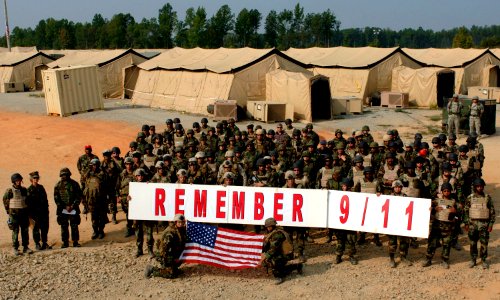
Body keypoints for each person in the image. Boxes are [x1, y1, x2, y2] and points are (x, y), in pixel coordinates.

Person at [423, 183, 458, 269]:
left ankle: (445, 260)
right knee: (432, 243)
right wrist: (434, 209)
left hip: (448, 227)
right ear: (442, 192)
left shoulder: (454, 202)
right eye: (444, 191)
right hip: (437, 226)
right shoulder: (436, 201)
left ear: (451, 191)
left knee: (447, 244)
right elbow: (427, 208)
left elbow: (459, 215)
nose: (446, 192)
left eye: (448, 191)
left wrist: (455, 212)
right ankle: (428, 259)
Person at [464, 178, 495, 269]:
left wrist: (490, 225)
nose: (479, 188)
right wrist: (466, 223)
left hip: (484, 226)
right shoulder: (470, 198)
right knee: (473, 243)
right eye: (477, 186)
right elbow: (465, 211)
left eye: (481, 186)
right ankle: (473, 259)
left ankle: (483, 260)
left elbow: (492, 212)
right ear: (474, 187)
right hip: (472, 226)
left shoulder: (487, 198)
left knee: (484, 244)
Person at [261, 217, 303, 285]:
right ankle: (296, 266)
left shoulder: (277, 234)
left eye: (269, 226)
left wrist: (266, 256)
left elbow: (274, 249)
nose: (267, 228)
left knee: (271, 260)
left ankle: (279, 277)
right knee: (281, 267)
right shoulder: (273, 232)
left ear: (272, 226)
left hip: (285, 255)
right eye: (267, 227)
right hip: (281, 253)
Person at [145, 214, 187, 279]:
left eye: (182, 222)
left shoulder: (181, 230)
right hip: (165, 255)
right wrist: (172, 259)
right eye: (179, 222)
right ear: (175, 222)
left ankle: (173, 268)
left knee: (180, 259)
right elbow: (165, 250)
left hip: (172, 252)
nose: (181, 224)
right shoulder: (170, 233)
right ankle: (152, 270)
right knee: (171, 275)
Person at [3, 173, 32, 255]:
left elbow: (27, 201)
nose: (18, 182)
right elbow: (5, 200)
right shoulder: (9, 191)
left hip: (23, 214)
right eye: (17, 180)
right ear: (13, 181)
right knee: (15, 231)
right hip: (14, 215)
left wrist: (28, 211)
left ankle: (25, 247)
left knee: (25, 231)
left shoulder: (24, 190)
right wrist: (8, 211)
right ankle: (15, 248)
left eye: (19, 180)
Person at [54, 168, 83, 248]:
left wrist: (72, 206)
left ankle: (75, 241)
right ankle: (65, 242)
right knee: (64, 226)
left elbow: (78, 196)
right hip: (63, 209)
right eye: (63, 175)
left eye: (66, 175)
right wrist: (65, 207)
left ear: (69, 175)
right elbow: (56, 198)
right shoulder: (58, 185)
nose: (64, 176)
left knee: (74, 225)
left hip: (73, 208)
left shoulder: (75, 184)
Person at [387, 180, 411, 268]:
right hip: (392, 222)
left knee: (404, 241)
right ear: (393, 188)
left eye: (399, 187)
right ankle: (392, 258)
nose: (397, 188)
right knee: (392, 242)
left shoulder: (405, 197)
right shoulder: (389, 197)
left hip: (402, 222)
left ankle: (403, 257)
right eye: (396, 187)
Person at [83, 158, 109, 239]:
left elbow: (102, 179)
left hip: (101, 200)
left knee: (101, 217)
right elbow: (83, 178)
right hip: (91, 200)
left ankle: (101, 231)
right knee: (94, 218)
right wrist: (88, 169)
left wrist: (93, 173)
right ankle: (95, 231)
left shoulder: (102, 173)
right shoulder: (89, 175)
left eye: (95, 165)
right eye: (93, 165)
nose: (94, 167)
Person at [26, 171, 51, 250]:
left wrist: (46, 210)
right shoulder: (29, 190)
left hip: (43, 212)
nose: (36, 179)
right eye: (34, 178)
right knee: (36, 228)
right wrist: (30, 215)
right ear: (31, 179)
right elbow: (27, 203)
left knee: (44, 228)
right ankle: (37, 244)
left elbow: (45, 200)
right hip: (34, 213)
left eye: (37, 178)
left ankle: (44, 243)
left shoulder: (41, 187)